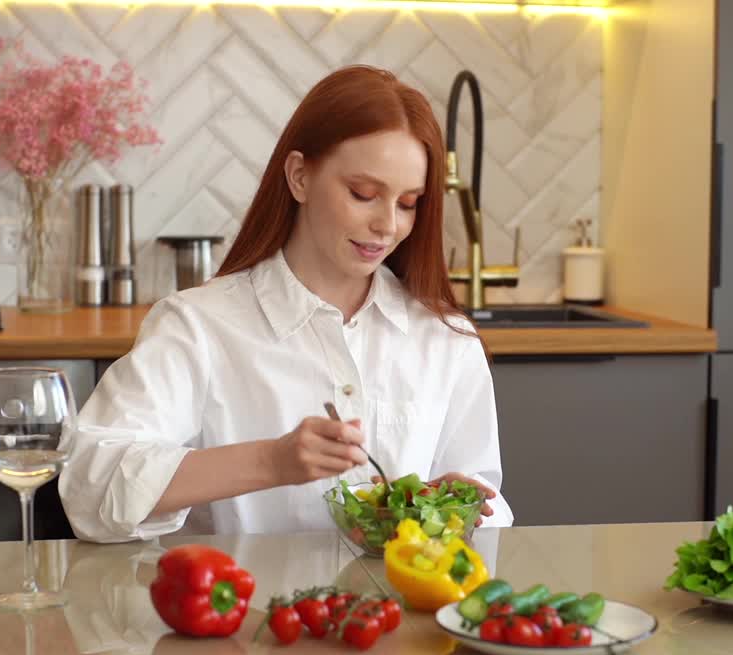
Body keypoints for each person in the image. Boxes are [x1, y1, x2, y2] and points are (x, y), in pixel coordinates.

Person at [59, 65, 514, 543]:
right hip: (241, 614)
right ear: (299, 176)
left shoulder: (444, 338)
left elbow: (490, 505)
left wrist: (448, 509)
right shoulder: (197, 326)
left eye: (407, 203)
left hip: (402, 616)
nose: (387, 225)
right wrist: (270, 461)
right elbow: (92, 487)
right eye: (364, 194)